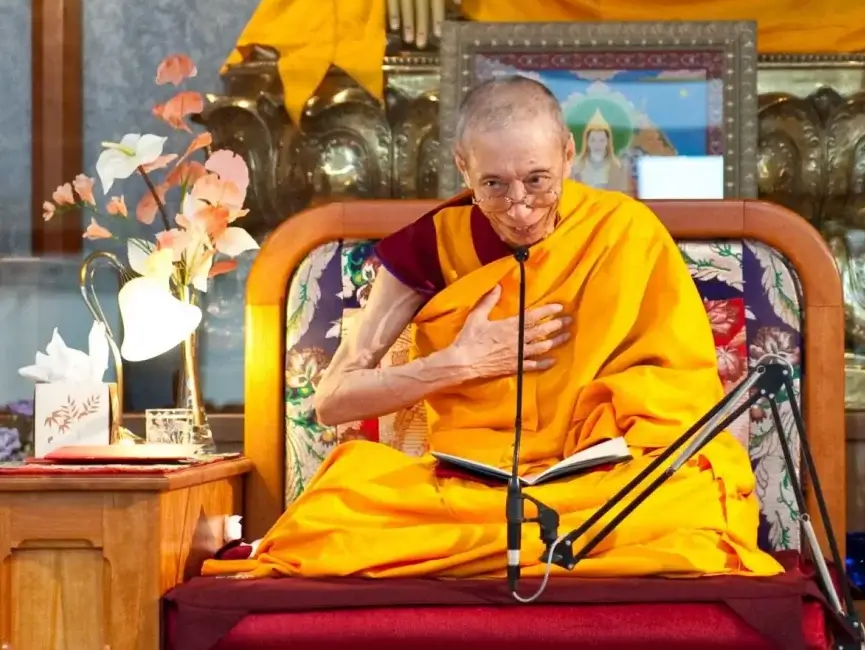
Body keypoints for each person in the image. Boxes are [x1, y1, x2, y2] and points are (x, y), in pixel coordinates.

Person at [202, 76, 783, 580]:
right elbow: (331, 401)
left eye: (537, 180)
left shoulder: (625, 232)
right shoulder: (430, 247)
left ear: (568, 153)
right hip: (471, 491)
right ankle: (545, 546)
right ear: (462, 166)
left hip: (601, 482)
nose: (520, 207)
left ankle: (516, 544)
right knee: (337, 503)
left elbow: (678, 395)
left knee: (693, 498)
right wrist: (458, 363)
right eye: (494, 185)